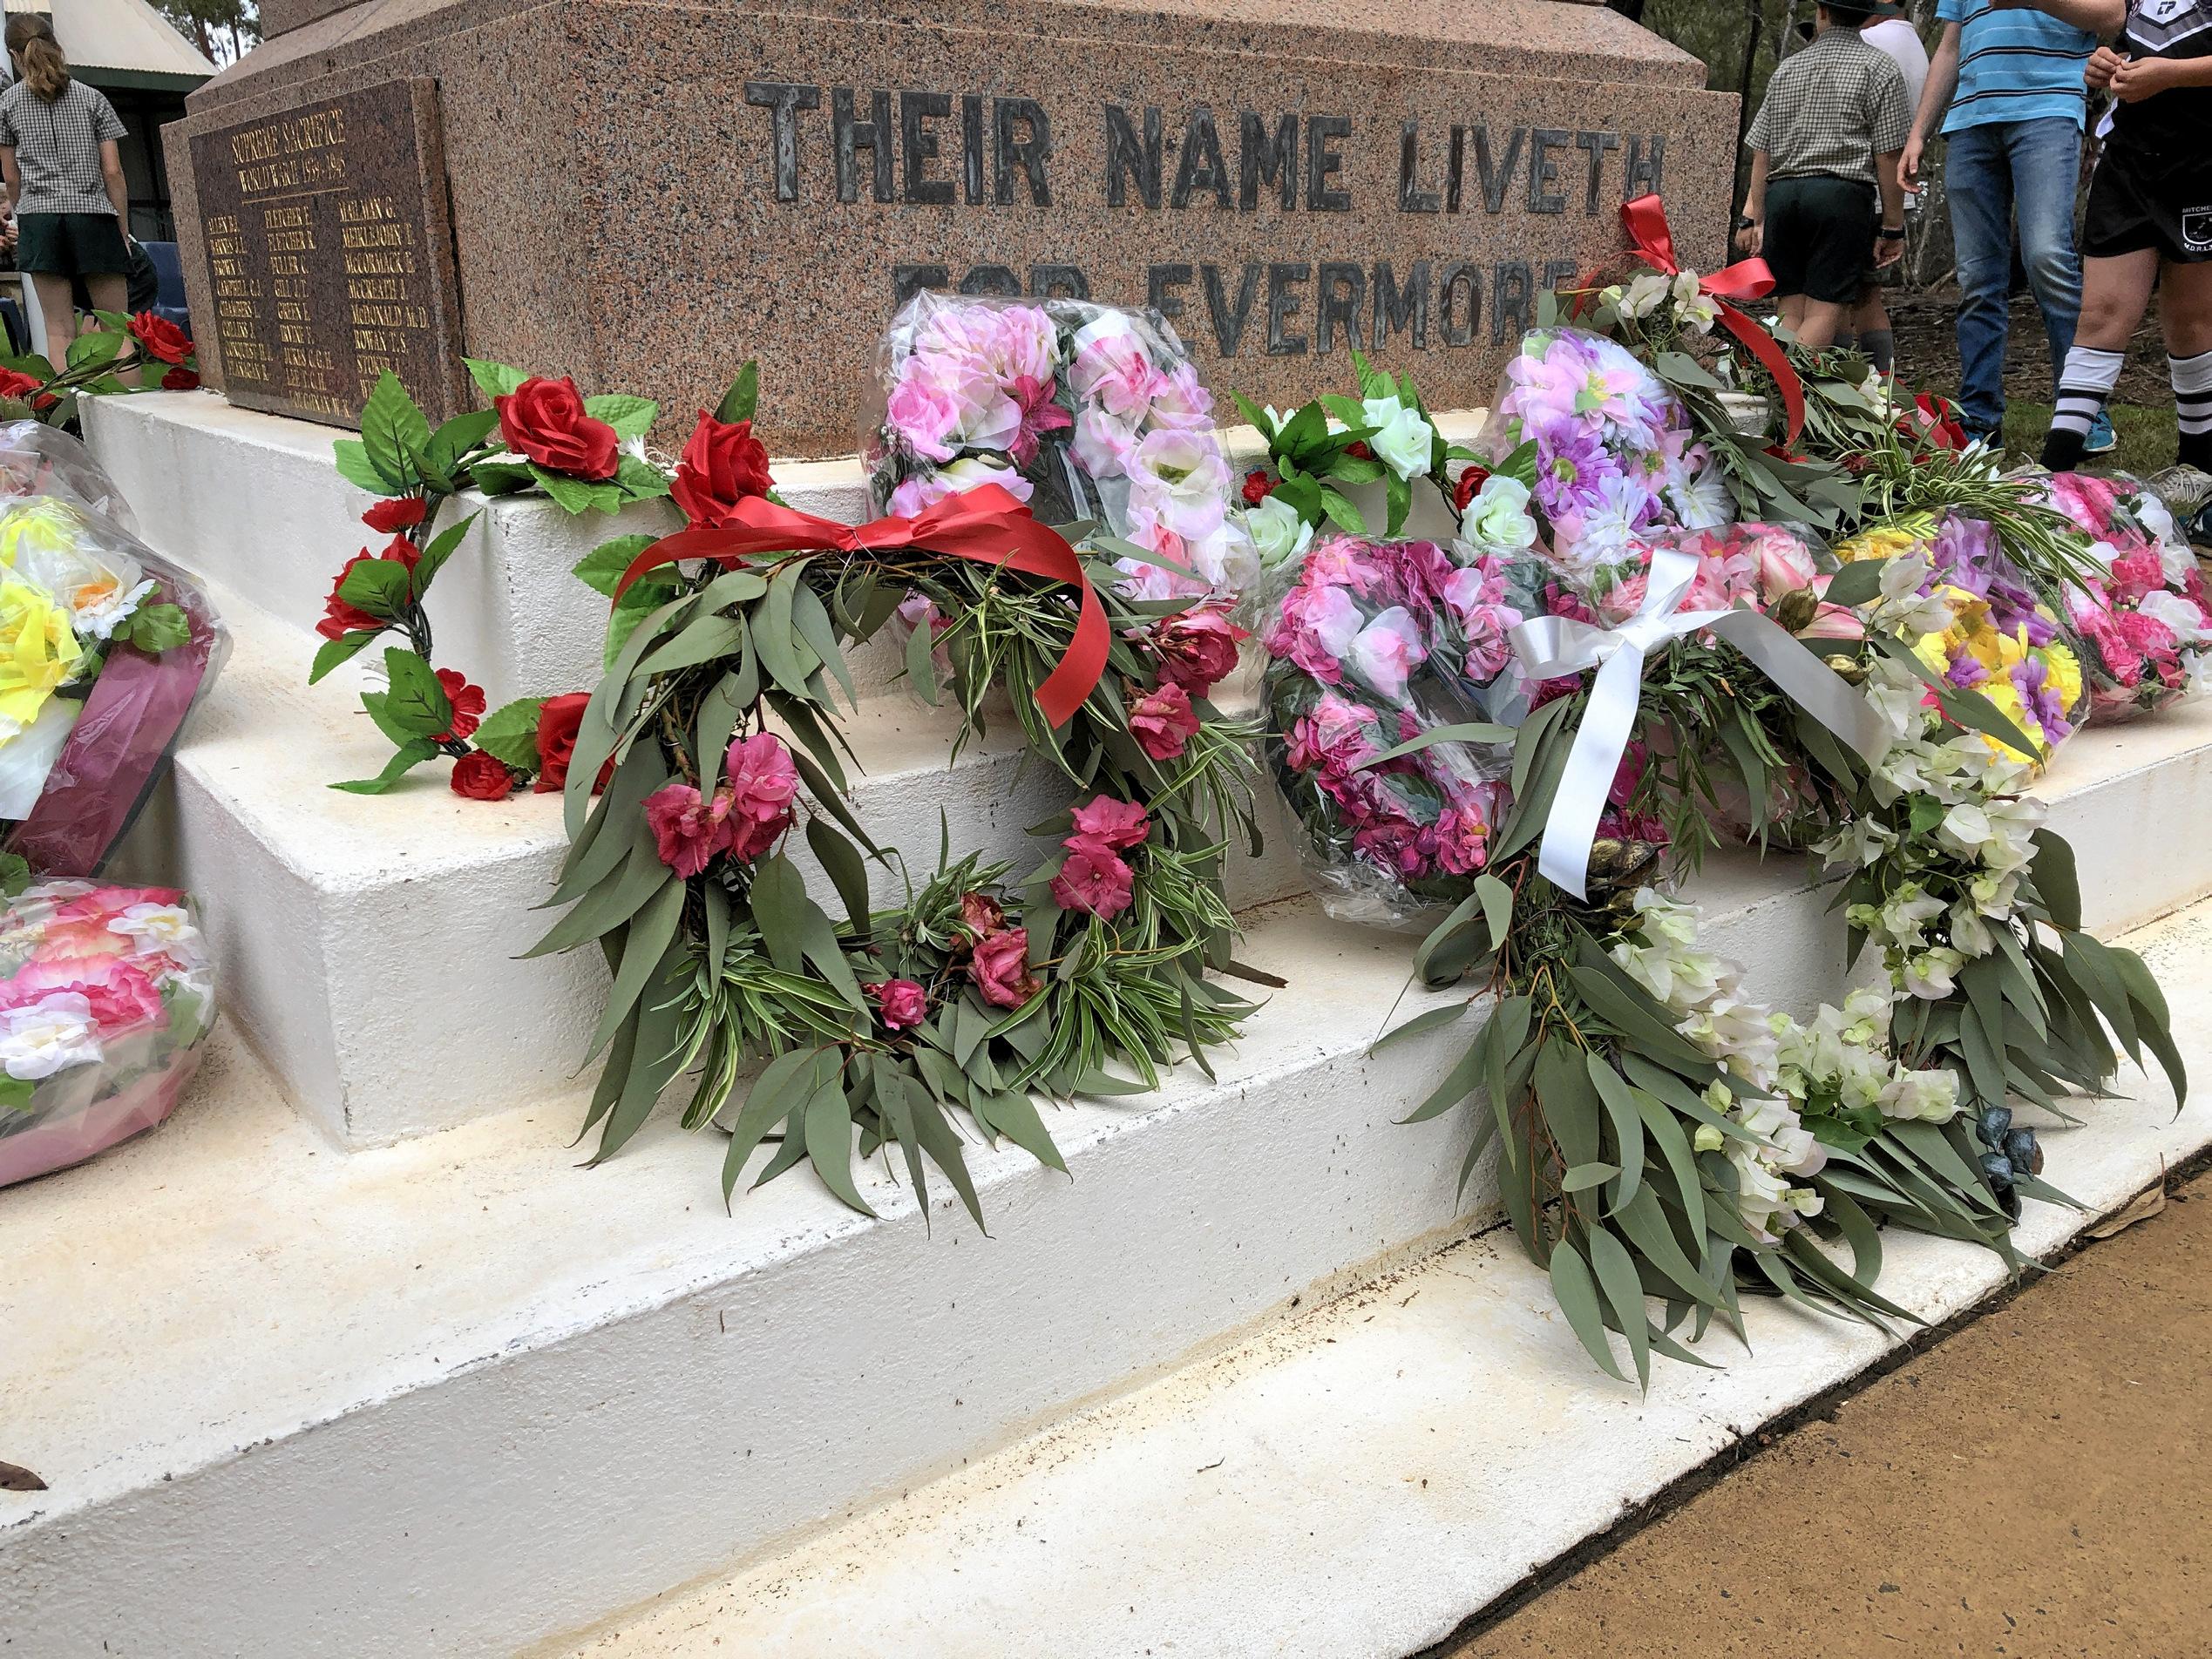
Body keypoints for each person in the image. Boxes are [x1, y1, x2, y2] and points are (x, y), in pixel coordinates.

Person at [1902, 0, 2115, 450]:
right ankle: (1979, 418)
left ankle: (2084, 410)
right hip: (1969, 121)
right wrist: (1918, 131)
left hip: (2049, 109)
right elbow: (1949, 47)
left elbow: (2113, 16)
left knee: (2047, 258)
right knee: (1977, 278)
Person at [2040, 0, 2212, 533]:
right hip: (2128, 163)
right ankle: (2054, 475)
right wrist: (2103, 67)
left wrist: (2172, 75)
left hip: (2200, 162)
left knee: (2192, 323)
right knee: (2101, 315)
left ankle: (2201, 473)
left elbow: (2177, 60)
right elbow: (2123, 32)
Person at [1737, 3, 1913, 350]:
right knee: (1823, 312)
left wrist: (1756, 217)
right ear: (1868, 15)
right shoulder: (1880, 67)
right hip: (1840, 196)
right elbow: (1888, 154)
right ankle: (1788, 387)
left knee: (1789, 307)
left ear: (1821, 12)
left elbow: (1761, 151)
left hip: (1784, 194)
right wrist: (1892, 225)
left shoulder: (1788, 69)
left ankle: (1770, 379)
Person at [0, 13, 133, 370]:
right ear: (57, 46)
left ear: (14, 55)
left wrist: (20, 215)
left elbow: (11, 178)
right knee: (118, 326)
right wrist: (121, 228)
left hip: (41, 220)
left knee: (59, 330)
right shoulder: (93, 99)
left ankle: (72, 415)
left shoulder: (6, 106)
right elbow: (113, 171)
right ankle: (132, 409)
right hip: (93, 214)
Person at [1847, 3, 1934, 373]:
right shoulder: (1914, 44)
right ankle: (1880, 391)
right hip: (1891, 195)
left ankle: (1828, 396)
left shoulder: (1868, 40)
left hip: (1857, 186)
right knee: (1868, 296)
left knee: (1830, 296)